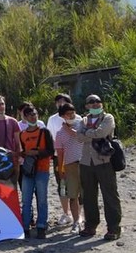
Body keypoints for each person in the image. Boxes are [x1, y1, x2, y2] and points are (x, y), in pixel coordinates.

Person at [76, 94, 122, 241]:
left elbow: (102, 133)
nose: (95, 104)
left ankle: (114, 228)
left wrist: (88, 133)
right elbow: (78, 136)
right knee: (88, 196)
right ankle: (91, 225)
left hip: (104, 161)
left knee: (110, 195)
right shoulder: (83, 120)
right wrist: (93, 134)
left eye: (97, 101)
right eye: (91, 102)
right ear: (86, 106)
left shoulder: (108, 118)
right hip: (86, 163)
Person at [19, 106, 54, 239]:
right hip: (28, 171)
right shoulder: (22, 134)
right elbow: (22, 151)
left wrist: (37, 153)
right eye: (30, 115)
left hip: (42, 170)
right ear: (25, 118)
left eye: (35, 114)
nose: (33, 117)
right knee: (26, 200)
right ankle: (25, 227)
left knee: (42, 200)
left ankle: (41, 226)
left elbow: (51, 151)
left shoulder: (45, 132)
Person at [54, 102, 83, 233]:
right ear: (62, 116)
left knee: (87, 194)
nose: (72, 116)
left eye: (73, 113)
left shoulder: (82, 124)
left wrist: (69, 130)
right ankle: (76, 221)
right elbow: (60, 154)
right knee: (73, 195)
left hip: (86, 163)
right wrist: (60, 170)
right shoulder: (59, 134)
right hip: (70, 165)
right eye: (68, 114)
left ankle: (88, 220)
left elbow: (81, 138)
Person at [47, 93, 75, 226]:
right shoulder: (52, 119)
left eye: (64, 101)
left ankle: (78, 213)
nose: (61, 104)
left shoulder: (78, 118)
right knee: (62, 184)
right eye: (58, 102)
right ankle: (66, 213)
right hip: (59, 157)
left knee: (78, 185)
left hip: (76, 157)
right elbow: (50, 137)